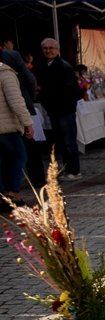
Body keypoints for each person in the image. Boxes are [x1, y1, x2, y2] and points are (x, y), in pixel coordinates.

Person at [33, 38, 82, 180]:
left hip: (64, 109)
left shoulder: (64, 67)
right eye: (45, 48)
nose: (48, 51)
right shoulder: (43, 66)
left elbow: (72, 90)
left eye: (51, 48)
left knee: (69, 141)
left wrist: (46, 90)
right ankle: (68, 168)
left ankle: (74, 170)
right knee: (61, 142)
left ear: (58, 50)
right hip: (54, 109)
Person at [0, 61, 33, 210]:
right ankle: (13, 194)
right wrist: (27, 123)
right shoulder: (4, 72)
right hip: (6, 127)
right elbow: (16, 102)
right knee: (19, 157)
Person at [1, 38, 36, 113]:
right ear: (5, 43)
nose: (12, 44)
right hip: (21, 100)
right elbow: (31, 80)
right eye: (11, 42)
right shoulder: (13, 55)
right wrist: (32, 97)